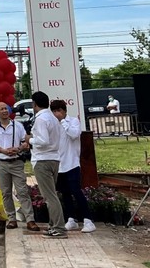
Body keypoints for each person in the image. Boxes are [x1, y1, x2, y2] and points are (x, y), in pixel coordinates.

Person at [0, 102, 39, 231]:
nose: (5, 111)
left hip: (16, 162)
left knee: (22, 191)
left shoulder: (18, 125)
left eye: (6, 108)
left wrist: (18, 148)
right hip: (2, 163)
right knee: (6, 192)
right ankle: (11, 218)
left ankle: (30, 219)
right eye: (1, 109)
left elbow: (25, 142)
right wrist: (3, 151)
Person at [50, 100, 96, 233]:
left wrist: (63, 122)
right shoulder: (53, 125)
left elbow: (74, 134)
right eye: (54, 111)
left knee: (76, 191)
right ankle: (71, 219)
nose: (57, 114)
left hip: (72, 163)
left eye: (59, 110)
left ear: (64, 111)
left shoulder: (73, 122)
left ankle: (88, 220)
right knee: (65, 193)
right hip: (59, 163)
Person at [26, 91, 66, 238]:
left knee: (50, 196)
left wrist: (29, 140)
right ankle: (53, 225)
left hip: (43, 159)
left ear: (34, 104)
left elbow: (43, 141)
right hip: (54, 158)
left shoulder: (41, 119)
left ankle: (58, 228)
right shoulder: (52, 118)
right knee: (51, 195)